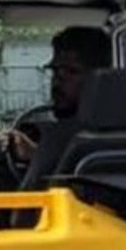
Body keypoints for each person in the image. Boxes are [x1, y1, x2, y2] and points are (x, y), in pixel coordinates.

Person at [7, 26, 112, 187]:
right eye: (55, 72)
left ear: (100, 78)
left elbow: (27, 208)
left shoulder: (59, 137)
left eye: (71, 72)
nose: (56, 82)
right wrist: (37, 154)